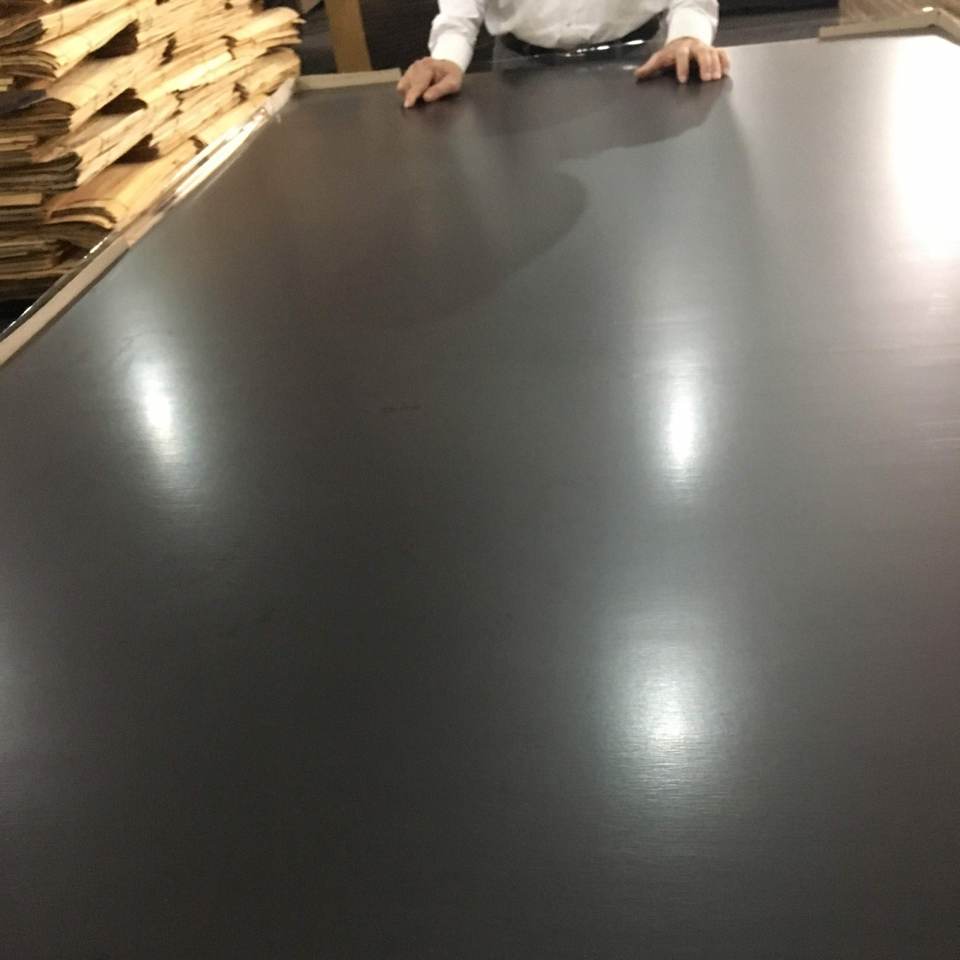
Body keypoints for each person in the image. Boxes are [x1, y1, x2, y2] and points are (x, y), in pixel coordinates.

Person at [398, 0, 728, 108]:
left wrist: (688, 36)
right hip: (518, 78)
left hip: (643, 68)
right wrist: (447, 58)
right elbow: (459, 16)